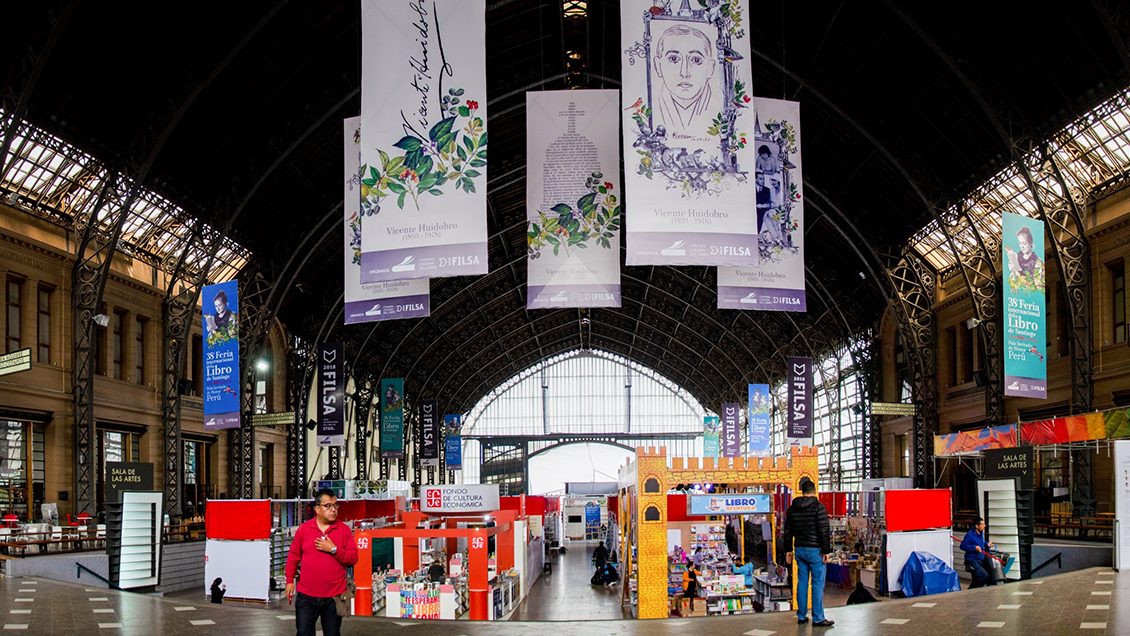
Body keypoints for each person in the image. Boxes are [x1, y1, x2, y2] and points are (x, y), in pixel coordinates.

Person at [285, 488, 359, 636]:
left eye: (335, 505)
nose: (333, 510)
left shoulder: (343, 531)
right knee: (304, 632)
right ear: (317, 509)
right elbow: (293, 555)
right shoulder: (304, 529)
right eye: (328, 506)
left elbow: (353, 557)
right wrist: (289, 580)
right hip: (307, 596)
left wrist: (334, 549)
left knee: (332, 633)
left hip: (334, 597)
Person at [782, 478, 834, 627]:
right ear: (814, 491)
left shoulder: (792, 509)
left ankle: (801, 615)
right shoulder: (819, 508)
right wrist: (826, 551)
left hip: (799, 549)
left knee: (802, 583)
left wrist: (788, 550)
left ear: (802, 492)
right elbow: (823, 531)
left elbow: (788, 532)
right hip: (815, 551)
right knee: (817, 584)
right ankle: (818, 618)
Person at [652, 24, 719, 136]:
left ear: (710, 68)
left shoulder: (719, 108)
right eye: (673, 59)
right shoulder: (651, 108)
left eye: (696, 60)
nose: (684, 72)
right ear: (658, 66)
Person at [960, 516, 995, 589]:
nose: (984, 526)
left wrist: (987, 544)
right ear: (976, 526)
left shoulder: (980, 533)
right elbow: (962, 546)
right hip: (971, 559)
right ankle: (970, 591)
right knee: (983, 576)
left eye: (984, 524)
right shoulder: (970, 535)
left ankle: (975, 593)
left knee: (979, 578)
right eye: (982, 524)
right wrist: (974, 548)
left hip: (979, 559)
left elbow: (980, 543)